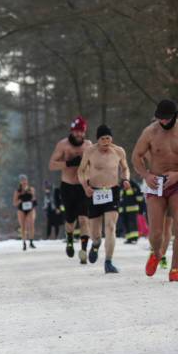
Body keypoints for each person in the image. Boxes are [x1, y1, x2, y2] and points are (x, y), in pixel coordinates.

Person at [132, 99, 178, 282]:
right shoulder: (150, 132)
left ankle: (174, 269)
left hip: (177, 182)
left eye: (165, 119)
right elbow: (136, 156)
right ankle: (156, 253)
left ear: (174, 116)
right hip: (156, 183)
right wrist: (146, 175)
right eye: (159, 119)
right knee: (156, 233)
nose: (162, 122)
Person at [78, 124, 130, 273]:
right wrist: (85, 186)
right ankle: (95, 245)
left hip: (112, 191)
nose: (106, 142)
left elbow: (125, 168)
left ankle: (108, 262)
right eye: (103, 139)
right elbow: (81, 171)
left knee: (111, 227)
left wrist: (125, 179)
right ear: (98, 139)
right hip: (94, 192)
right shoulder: (90, 151)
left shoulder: (118, 151)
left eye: (108, 138)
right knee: (95, 233)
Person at [49, 116, 93, 263]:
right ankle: (69, 239)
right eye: (76, 132)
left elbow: (96, 164)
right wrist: (68, 163)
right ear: (71, 131)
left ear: (84, 132)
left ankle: (83, 251)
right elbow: (52, 165)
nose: (78, 134)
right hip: (67, 186)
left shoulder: (88, 145)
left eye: (81, 131)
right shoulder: (63, 145)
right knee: (70, 219)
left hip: (83, 186)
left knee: (84, 219)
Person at [13, 174, 37, 251]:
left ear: (27, 181)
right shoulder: (17, 191)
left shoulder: (31, 189)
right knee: (23, 226)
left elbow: (34, 199)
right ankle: (24, 243)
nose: (24, 182)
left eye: (25, 180)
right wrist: (20, 199)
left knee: (31, 224)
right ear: (20, 182)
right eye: (22, 180)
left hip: (30, 209)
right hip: (21, 209)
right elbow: (14, 203)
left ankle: (31, 242)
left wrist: (31, 196)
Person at [118, 179, 145, 245]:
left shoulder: (134, 185)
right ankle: (129, 238)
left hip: (132, 209)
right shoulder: (120, 186)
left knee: (132, 224)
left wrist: (141, 209)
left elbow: (140, 197)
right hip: (123, 210)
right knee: (125, 224)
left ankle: (134, 238)